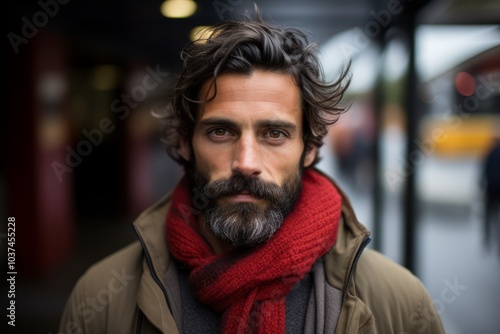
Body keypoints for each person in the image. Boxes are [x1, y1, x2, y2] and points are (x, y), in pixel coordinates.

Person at [59, 9, 444, 334]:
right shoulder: (101, 300)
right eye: (221, 131)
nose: (246, 162)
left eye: (274, 133)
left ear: (308, 149)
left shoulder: (399, 304)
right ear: (183, 143)